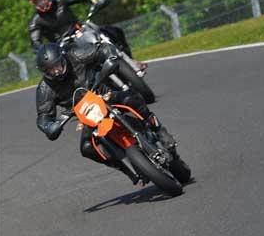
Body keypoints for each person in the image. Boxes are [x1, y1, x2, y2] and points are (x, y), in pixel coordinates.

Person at [34, 42, 174, 184]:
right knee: (87, 148)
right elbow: (43, 116)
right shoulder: (45, 89)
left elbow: (103, 48)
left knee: (130, 99)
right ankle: (126, 168)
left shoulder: (76, 55)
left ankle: (158, 129)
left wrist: (110, 57)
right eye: (50, 69)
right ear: (44, 71)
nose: (56, 71)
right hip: (86, 115)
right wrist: (49, 126)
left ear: (63, 58)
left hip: (104, 94)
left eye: (57, 65)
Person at [27, 0, 139, 63]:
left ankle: (131, 61)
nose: (43, 2)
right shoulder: (35, 21)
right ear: (33, 2)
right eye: (38, 1)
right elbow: (35, 41)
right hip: (63, 48)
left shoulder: (61, 0)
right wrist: (43, 50)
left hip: (81, 31)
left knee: (115, 31)